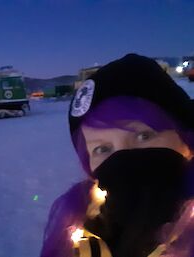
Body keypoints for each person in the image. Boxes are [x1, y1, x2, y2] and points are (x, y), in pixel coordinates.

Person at [40, 54, 194, 257]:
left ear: (186, 139)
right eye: (102, 149)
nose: (123, 157)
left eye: (144, 135)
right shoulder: (78, 225)